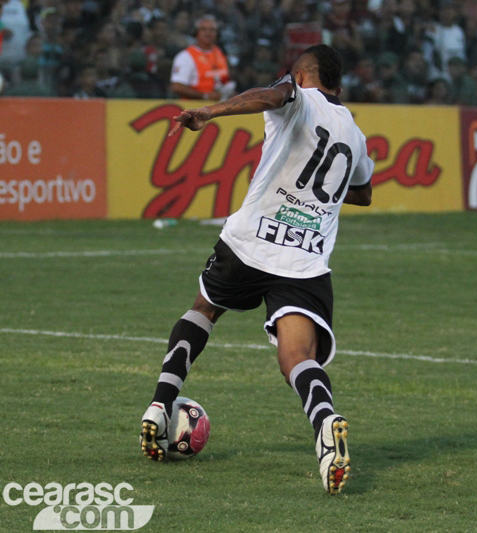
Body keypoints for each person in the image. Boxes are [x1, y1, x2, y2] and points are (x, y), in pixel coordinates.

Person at [139, 44, 374, 496]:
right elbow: (363, 192)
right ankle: (325, 423)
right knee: (296, 358)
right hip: (303, 261)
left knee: (204, 310)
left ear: (300, 76)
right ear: (338, 84)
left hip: (249, 242)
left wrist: (210, 111)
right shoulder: (355, 135)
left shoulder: (295, 96)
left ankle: (159, 404)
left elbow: (270, 98)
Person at [169, 14, 234, 101]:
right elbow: (177, 87)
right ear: (195, 33)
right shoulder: (186, 56)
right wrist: (205, 96)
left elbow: (225, 79)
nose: (208, 33)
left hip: (219, 106)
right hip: (194, 107)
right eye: (203, 29)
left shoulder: (219, 53)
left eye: (212, 30)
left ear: (217, 34)